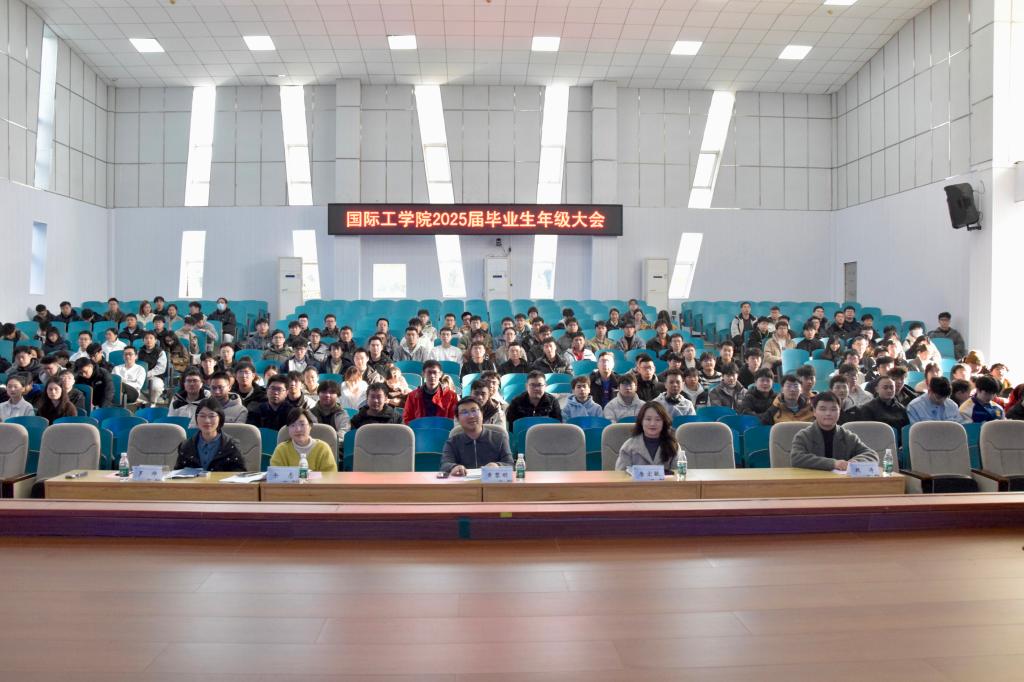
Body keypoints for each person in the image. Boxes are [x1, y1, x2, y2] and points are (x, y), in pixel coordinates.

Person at [790, 392, 879, 471]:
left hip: (841, 482)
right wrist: (833, 463)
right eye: (823, 409)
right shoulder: (804, 435)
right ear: (814, 411)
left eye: (833, 409)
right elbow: (796, 458)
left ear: (839, 411)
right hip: (812, 481)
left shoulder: (848, 436)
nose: (828, 413)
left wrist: (855, 462)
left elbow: (871, 454)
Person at [440, 397, 514, 476]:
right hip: (463, 482)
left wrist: (498, 466)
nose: (471, 416)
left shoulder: (499, 438)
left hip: (492, 482)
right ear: (458, 419)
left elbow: (510, 464)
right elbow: (445, 465)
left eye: (474, 411)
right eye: (464, 412)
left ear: (482, 414)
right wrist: (454, 467)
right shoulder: (452, 442)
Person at [173, 398, 247, 472]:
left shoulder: (231, 445)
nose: (207, 421)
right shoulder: (186, 446)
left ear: (220, 418)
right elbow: (177, 474)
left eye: (212, 416)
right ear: (196, 418)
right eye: (202, 416)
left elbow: (240, 474)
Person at [614, 401, 681, 473]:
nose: (652, 424)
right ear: (641, 421)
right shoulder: (628, 447)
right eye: (648, 419)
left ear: (664, 422)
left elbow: (679, 474)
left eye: (658, 419)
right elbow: (620, 475)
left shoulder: (673, 445)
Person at [270, 407, 338, 473]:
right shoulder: (281, 450)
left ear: (310, 426)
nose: (298, 429)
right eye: (293, 425)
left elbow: (331, 476)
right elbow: (275, 475)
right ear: (288, 429)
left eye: (302, 424)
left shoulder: (323, 448)